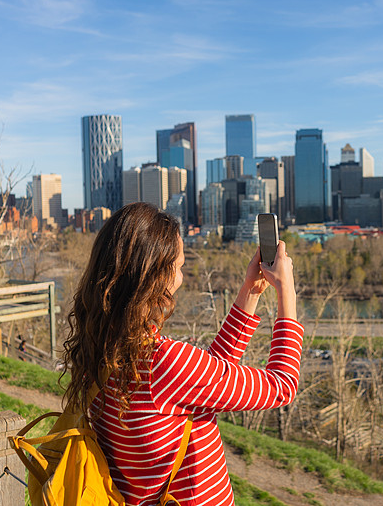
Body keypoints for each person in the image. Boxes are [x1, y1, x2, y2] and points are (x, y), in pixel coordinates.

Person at [62, 202, 303, 505]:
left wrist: (250, 292)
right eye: (179, 268)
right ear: (155, 278)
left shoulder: (102, 351)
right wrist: (288, 295)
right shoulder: (162, 362)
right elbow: (281, 386)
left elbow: (207, 376)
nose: (181, 277)